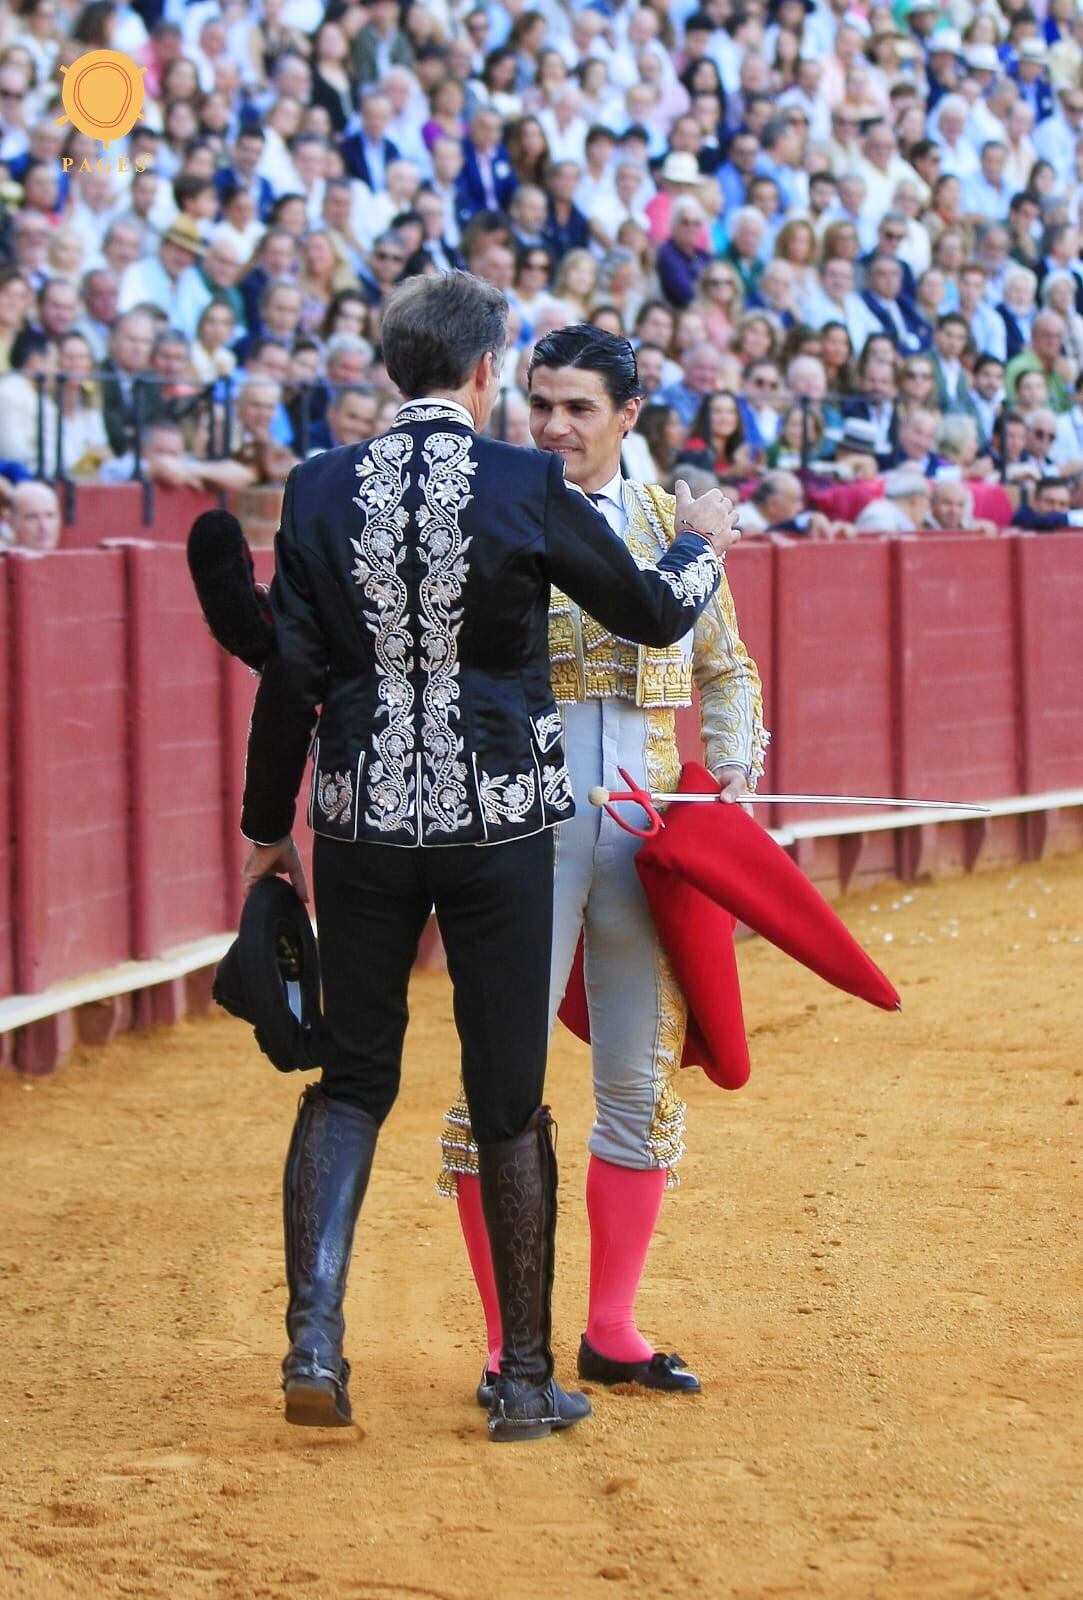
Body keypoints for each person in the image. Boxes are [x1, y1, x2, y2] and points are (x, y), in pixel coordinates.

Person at [238, 272, 738, 1443]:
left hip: (361, 821)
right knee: (508, 1099)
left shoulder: (316, 489)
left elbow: (287, 678)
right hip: (499, 824)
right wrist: (702, 545)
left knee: (352, 1081)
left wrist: (271, 829)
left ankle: (315, 1336)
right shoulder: (523, 481)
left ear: (390, 368)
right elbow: (654, 615)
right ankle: (522, 1378)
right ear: (481, 374)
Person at [434, 325, 765, 1401]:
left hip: (641, 838)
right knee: (501, 1087)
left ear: (629, 415)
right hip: (523, 839)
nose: (555, 425)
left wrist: (722, 794)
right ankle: (504, 1344)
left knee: (637, 1080)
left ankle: (610, 1329)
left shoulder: (670, 520)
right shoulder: (501, 506)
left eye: (579, 407)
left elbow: (728, 672)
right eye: (542, 402)